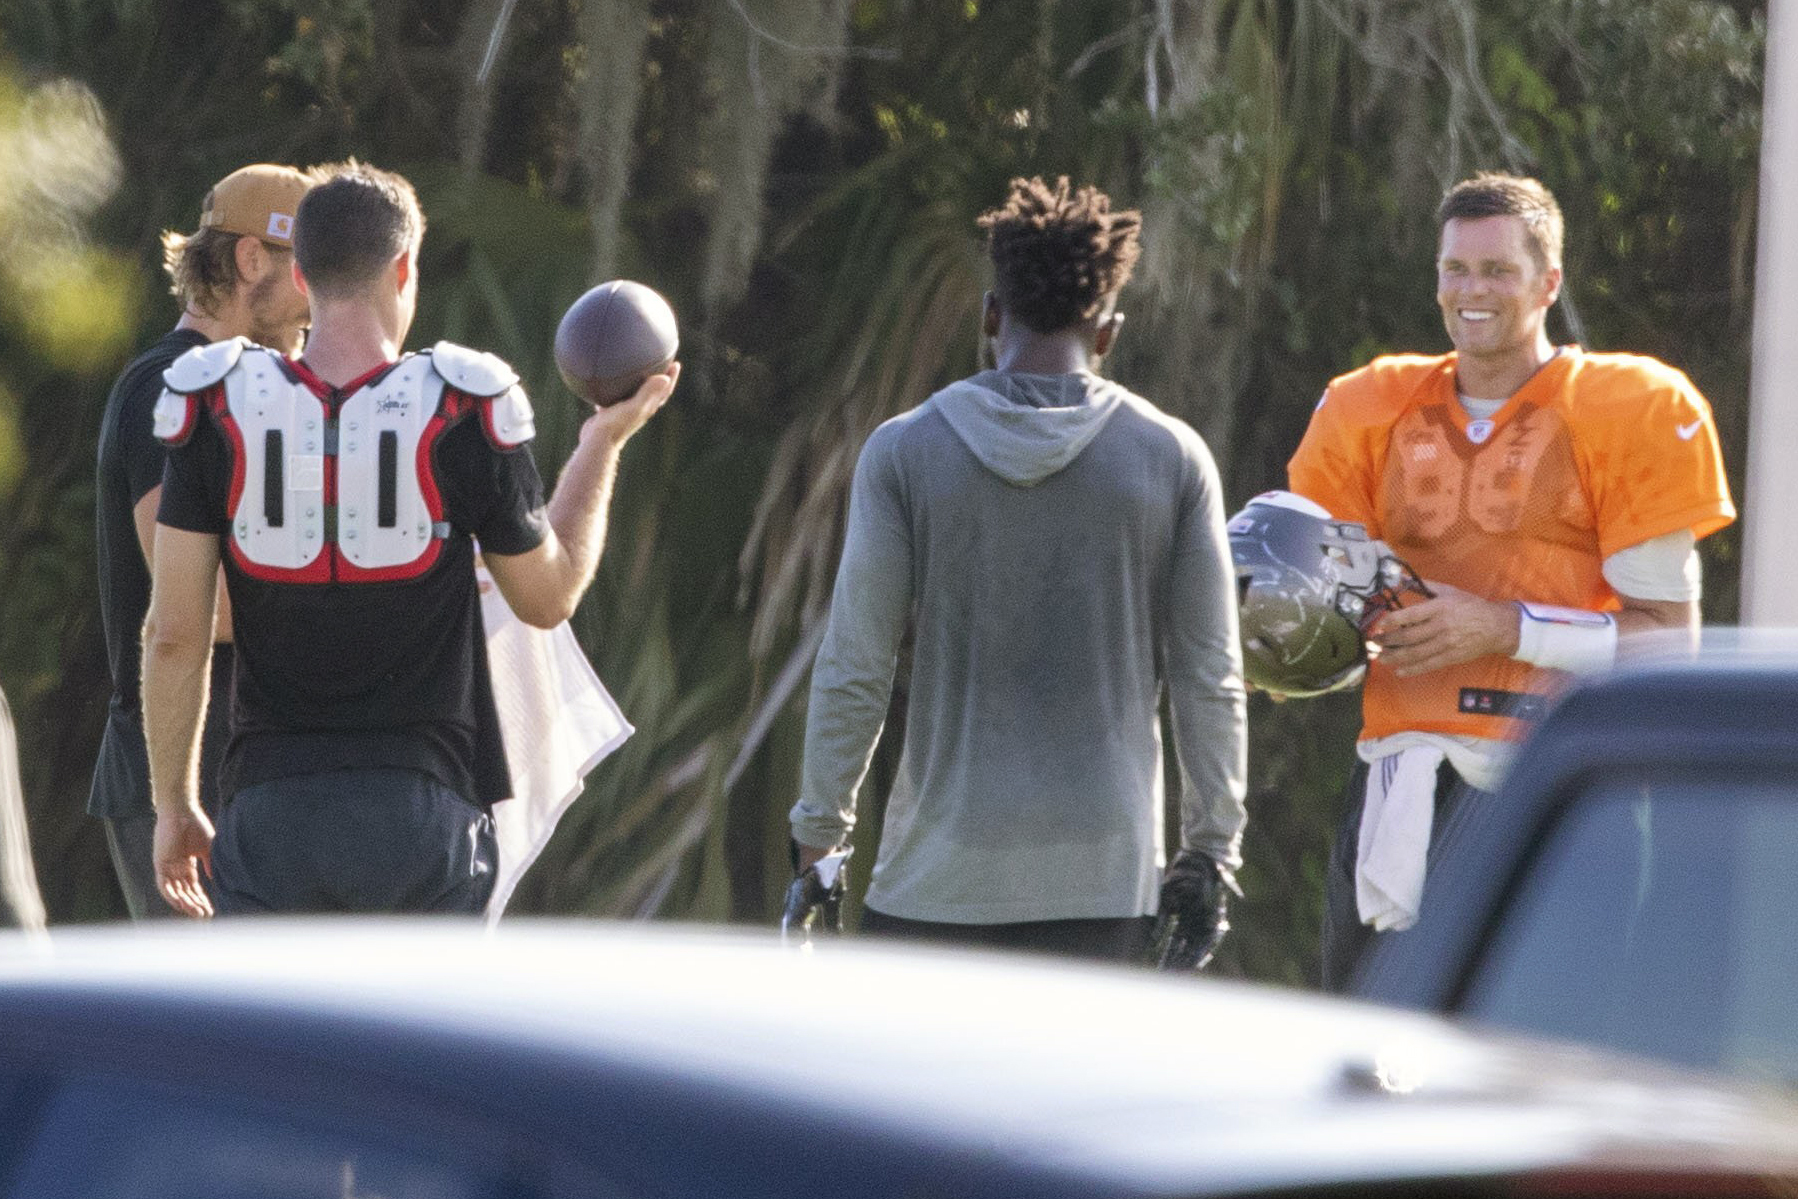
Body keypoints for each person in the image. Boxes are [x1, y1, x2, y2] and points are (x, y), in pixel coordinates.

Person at [142, 162, 675, 917]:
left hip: (269, 812)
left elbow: (174, 635)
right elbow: (548, 598)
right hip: (422, 813)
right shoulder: (464, 408)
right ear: (404, 268)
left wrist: (173, 802)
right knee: (412, 1040)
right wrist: (600, 444)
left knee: (276, 1041)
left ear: (300, 278)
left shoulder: (215, 408)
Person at [1286, 172, 1735, 990]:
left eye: (1497, 270)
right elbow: (1315, 599)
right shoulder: (1371, 407)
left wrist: (1505, 628)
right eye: (1455, 269)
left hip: (1560, 784)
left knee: (1538, 1062)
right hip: (1401, 783)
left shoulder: (1624, 407)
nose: (1472, 290)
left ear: (1548, 282)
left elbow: (1670, 641)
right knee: (1374, 1059)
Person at [789, 176, 1248, 962]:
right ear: (1107, 332)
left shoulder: (904, 452)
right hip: (1107, 885)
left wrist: (819, 841)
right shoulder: (1173, 459)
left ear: (989, 317)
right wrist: (1211, 854)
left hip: (931, 886)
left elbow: (855, 665)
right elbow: (1211, 677)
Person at [89, 164, 313, 919]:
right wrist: (365, 600)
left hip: (240, 776)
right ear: (252, 261)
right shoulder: (170, 385)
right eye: (310, 270)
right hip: (180, 786)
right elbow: (193, 605)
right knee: (205, 1037)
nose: (324, 300)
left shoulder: (258, 388)